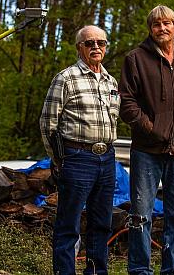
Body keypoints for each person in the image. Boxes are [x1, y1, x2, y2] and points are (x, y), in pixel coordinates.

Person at [119, 5, 174, 274]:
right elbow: (126, 103)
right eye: (157, 24)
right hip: (146, 150)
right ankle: (139, 270)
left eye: (167, 23)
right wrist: (151, 128)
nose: (162, 28)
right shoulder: (135, 59)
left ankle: (173, 270)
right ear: (150, 29)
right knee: (141, 215)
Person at [39, 25, 120, 275]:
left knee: (101, 224)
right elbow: (47, 123)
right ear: (79, 47)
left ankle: (96, 272)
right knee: (68, 225)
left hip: (107, 158)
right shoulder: (66, 78)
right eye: (90, 43)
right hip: (76, 157)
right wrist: (60, 159)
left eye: (101, 43)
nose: (96, 47)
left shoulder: (111, 81)